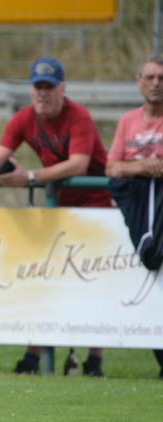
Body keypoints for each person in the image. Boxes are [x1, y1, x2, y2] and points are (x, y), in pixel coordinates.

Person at [0, 56, 113, 377]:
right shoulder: (25, 117)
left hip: (98, 205)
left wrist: (32, 177)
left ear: (62, 89)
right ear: (30, 89)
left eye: (49, 88)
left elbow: (79, 164)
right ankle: (33, 355)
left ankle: (94, 358)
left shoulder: (78, 116)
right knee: (44, 278)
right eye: (38, 87)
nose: (43, 94)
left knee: (94, 284)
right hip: (59, 207)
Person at [105, 53, 163, 378]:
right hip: (139, 207)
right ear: (139, 82)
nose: (156, 84)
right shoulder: (128, 120)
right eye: (150, 77)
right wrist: (144, 167)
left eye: (161, 79)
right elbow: (112, 167)